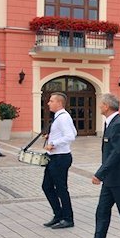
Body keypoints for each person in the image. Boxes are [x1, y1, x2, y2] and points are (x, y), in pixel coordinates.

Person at [73, 93, 120, 238]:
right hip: (111, 178)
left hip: (119, 178)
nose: (99, 106)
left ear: (106, 106)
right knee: (101, 212)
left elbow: (116, 153)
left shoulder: (118, 124)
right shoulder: (111, 123)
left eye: (101, 104)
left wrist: (100, 173)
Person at [41, 92, 78, 229]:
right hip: (55, 157)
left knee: (61, 189)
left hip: (60, 157)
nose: (48, 103)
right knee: (47, 186)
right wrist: (50, 137)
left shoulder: (63, 118)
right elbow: (73, 132)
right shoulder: (60, 117)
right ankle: (58, 215)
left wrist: (53, 143)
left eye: (51, 101)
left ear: (59, 103)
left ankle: (68, 218)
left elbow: (70, 136)